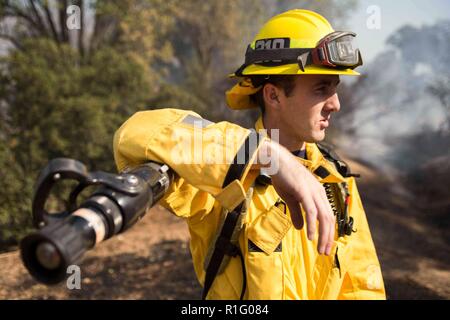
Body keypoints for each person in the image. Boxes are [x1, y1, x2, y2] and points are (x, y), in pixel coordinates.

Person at [113, 9, 386, 300]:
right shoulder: (225, 177)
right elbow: (134, 134)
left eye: (335, 88)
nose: (335, 104)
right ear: (273, 95)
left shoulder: (337, 180)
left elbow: (361, 285)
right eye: (321, 89)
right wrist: (269, 156)